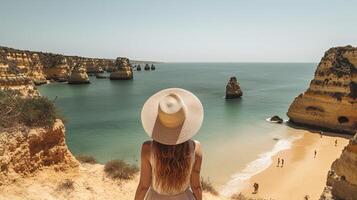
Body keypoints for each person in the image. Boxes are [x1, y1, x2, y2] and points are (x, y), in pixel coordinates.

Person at [135, 88, 204, 200]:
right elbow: (196, 187)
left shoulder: (147, 149)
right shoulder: (195, 148)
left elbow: (143, 186)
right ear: (184, 120)